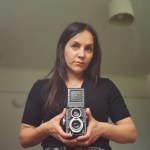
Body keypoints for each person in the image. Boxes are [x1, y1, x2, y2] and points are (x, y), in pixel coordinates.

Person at [19, 22, 137, 150]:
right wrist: (47, 128)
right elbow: (24, 139)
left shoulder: (106, 86)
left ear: (94, 54)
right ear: (63, 48)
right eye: (75, 46)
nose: (81, 54)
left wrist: (101, 128)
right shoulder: (41, 87)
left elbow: (131, 134)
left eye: (88, 48)